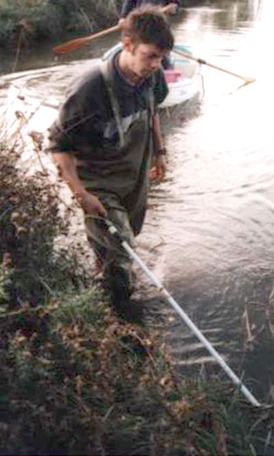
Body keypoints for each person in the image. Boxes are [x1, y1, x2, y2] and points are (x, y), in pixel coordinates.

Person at [47, 6, 174, 322]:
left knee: (125, 243)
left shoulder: (152, 77)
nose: (157, 65)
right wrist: (82, 195)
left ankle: (103, 275)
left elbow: (152, 111)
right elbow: (58, 146)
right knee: (122, 253)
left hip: (135, 176)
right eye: (150, 56)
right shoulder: (90, 89)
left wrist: (159, 152)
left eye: (161, 57)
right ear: (127, 44)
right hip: (99, 182)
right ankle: (118, 320)